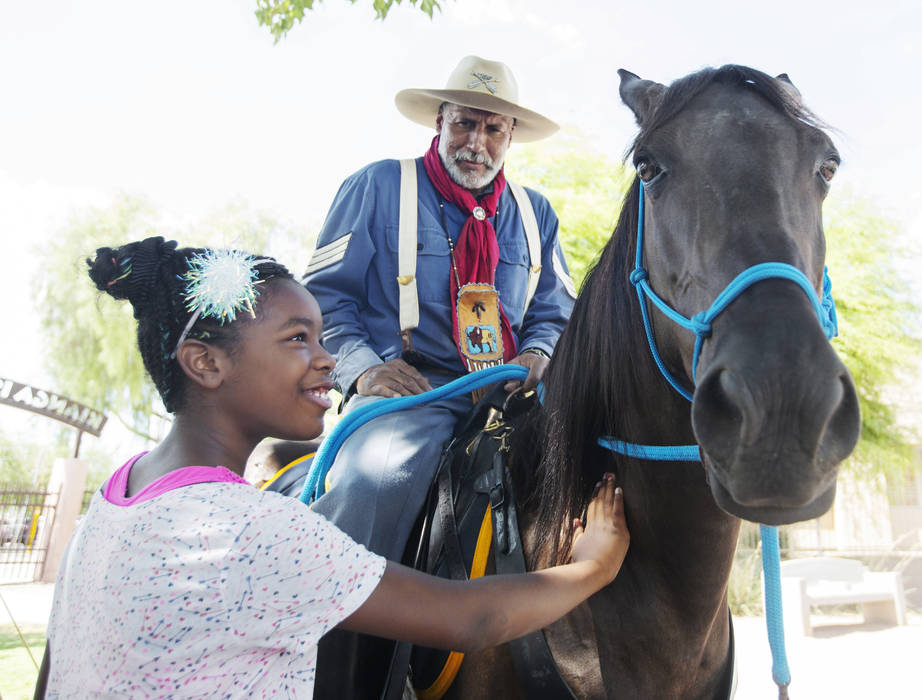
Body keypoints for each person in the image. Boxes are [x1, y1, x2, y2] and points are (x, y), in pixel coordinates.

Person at [34, 236, 627, 699]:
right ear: (205, 363)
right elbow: (470, 620)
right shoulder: (253, 533)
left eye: (320, 337)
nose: (326, 360)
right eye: (298, 339)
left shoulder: (112, 501)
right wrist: (593, 568)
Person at [299, 55, 576, 562]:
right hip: (410, 395)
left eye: (493, 129)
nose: (477, 143)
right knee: (377, 482)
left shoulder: (536, 213)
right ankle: (328, 632)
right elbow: (321, 298)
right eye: (464, 123)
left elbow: (556, 311)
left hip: (513, 398)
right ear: (439, 121)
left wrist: (539, 350)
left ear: (510, 135)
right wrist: (362, 372)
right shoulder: (378, 186)